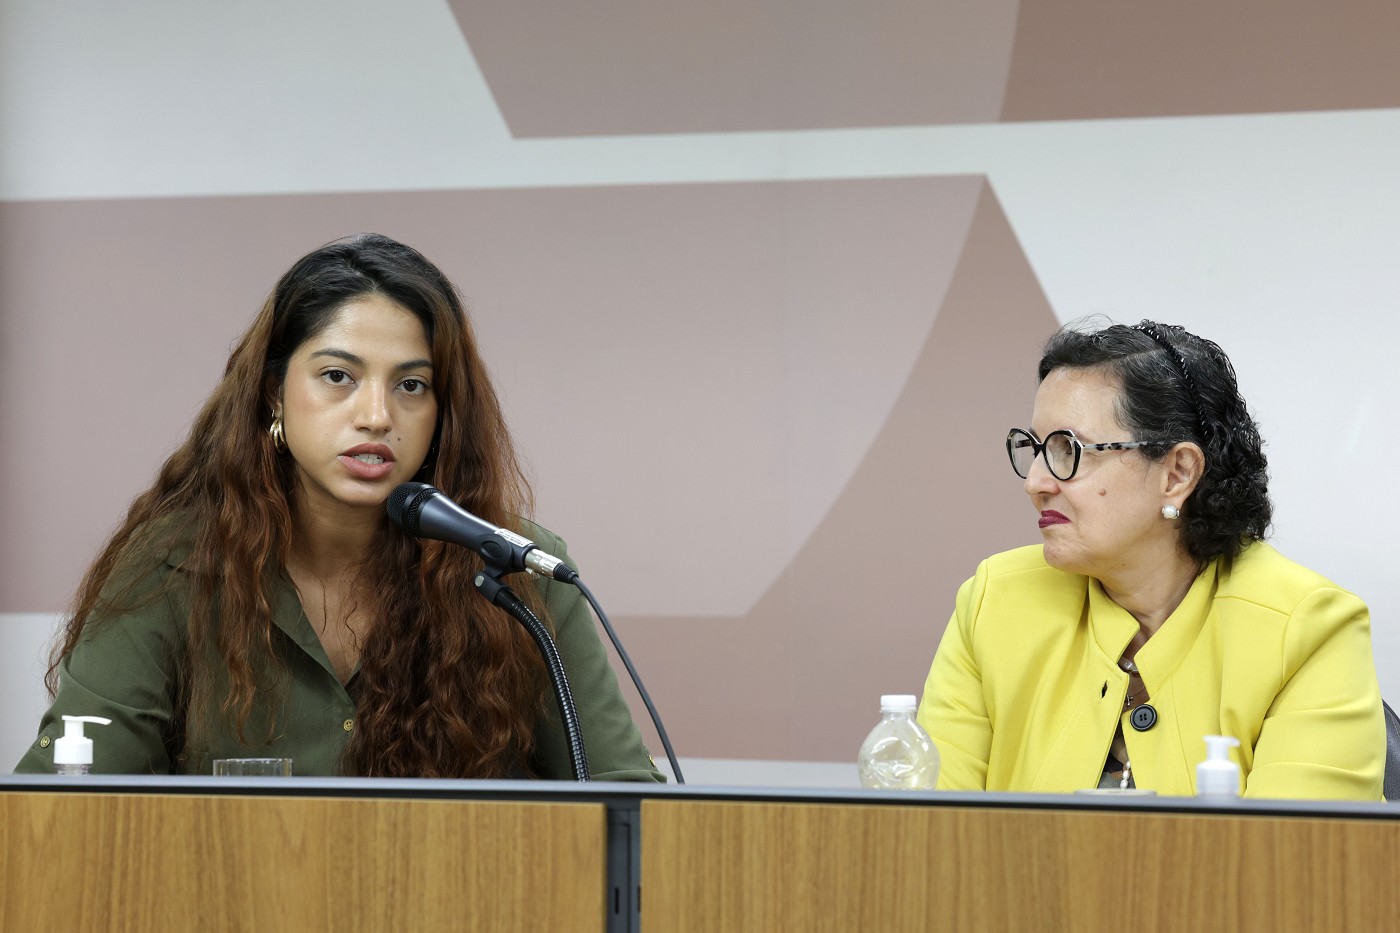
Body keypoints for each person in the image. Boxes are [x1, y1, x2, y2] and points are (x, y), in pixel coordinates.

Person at [16, 233, 662, 781]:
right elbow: (64, 812)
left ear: (442, 414)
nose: (377, 415)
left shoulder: (516, 570)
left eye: (412, 385)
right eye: (338, 377)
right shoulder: (172, 567)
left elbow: (629, 807)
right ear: (274, 393)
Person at [917, 319, 1383, 799]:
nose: (1035, 482)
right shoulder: (994, 602)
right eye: (1035, 448)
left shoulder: (1308, 629)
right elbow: (930, 830)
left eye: (1068, 450)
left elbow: (1298, 845)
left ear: (1177, 473)